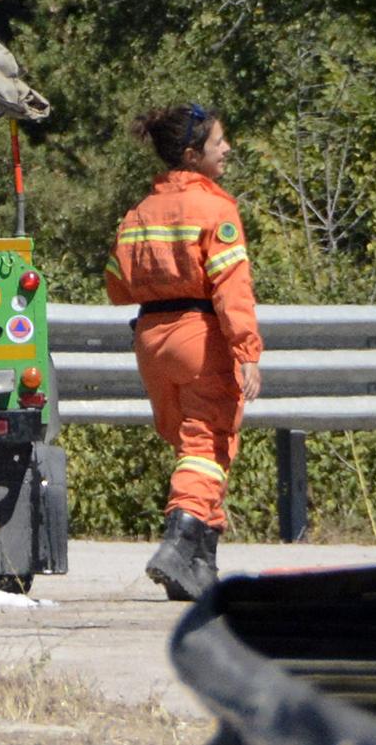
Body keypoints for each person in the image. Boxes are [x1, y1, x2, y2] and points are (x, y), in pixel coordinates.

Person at [104, 102, 263, 600]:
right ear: (193, 155)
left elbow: (115, 285)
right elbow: (231, 287)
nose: (228, 149)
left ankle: (198, 572)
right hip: (201, 336)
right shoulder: (217, 208)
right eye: (220, 143)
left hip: (151, 340)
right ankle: (176, 546)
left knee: (194, 451)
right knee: (207, 444)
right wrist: (247, 350)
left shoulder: (141, 212)